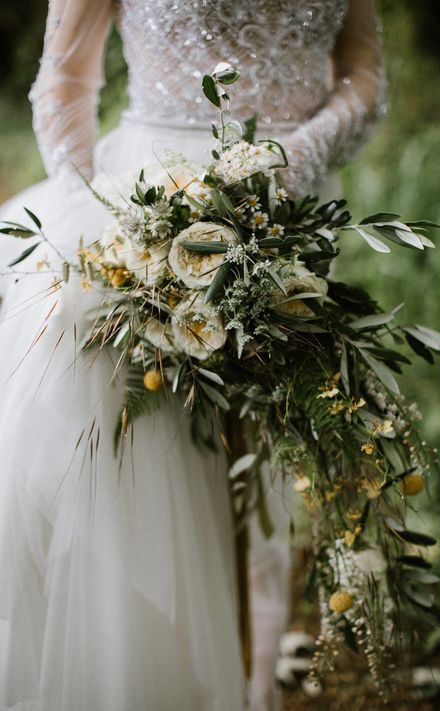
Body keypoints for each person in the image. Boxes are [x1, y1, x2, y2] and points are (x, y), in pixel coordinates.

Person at [0, 1, 385, 709]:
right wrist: (117, 248)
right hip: (147, 223)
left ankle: (250, 687)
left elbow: (364, 75)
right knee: (159, 482)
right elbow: (64, 87)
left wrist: (301, 151)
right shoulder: (132, 244)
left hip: (292, 222)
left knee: (265, 469)